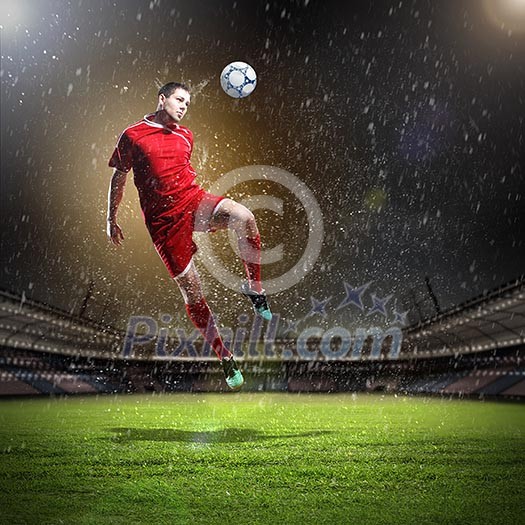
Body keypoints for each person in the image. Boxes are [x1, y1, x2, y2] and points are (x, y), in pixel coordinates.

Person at [106, 81, 271, 390]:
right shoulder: (132, 135)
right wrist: (111, 218)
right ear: (162, 99)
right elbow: (119, 176)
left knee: (244, 217)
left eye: (187, 103)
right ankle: (224, 356)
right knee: (193, 292)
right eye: (179, 100)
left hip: (192, 201)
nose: (183, 107)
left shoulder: (186, 135)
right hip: (163, 224)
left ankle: (254, 287)